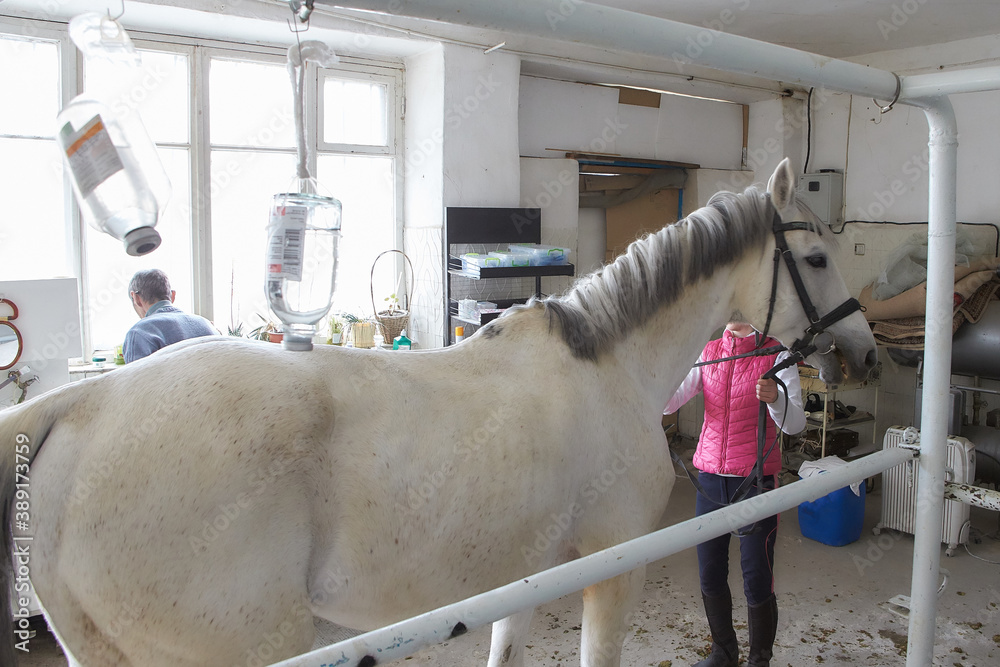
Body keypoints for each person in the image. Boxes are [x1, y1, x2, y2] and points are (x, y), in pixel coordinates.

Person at [664, 321, 806, 667]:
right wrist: (658, 370)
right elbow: (670, 403)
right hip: (710, 480)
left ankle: (759, 660)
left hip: (756, 483)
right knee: (710, 572)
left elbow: (795, 424)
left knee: (757, 576)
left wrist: (777, 399)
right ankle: (723, 653)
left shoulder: (777, 353)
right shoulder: (710, 352)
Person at [123, 269, 218, 363]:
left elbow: (136, 373)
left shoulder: (139, 333)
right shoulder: (208, 326)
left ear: (136, 298)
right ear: (172, 296)